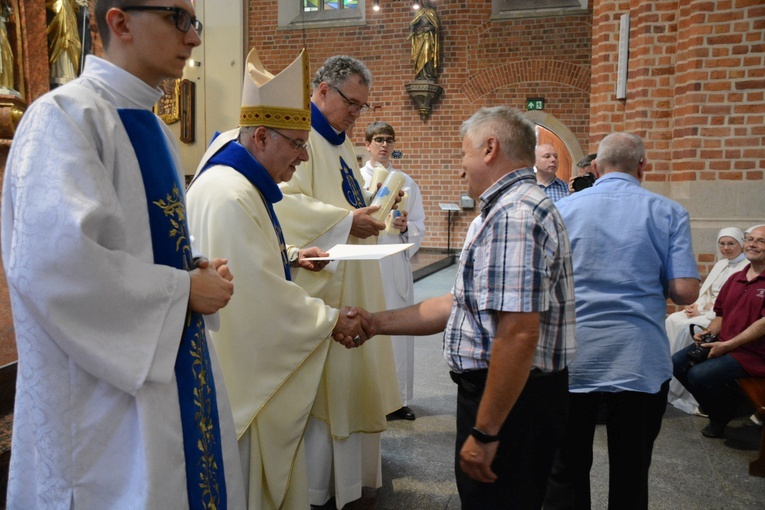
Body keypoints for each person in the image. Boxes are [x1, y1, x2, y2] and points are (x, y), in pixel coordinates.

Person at [1, 1, 246, 508]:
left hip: (165, 365)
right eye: (179, 20)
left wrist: (193, 266)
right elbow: (55, 267)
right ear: (119, 23)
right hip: (102, 403)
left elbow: (143, 240)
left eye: (193, 22)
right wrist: (183, 292)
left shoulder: (151, 124)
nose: (194, 38)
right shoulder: (65, 117)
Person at [361, 106, 576, 510]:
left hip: (511, 400)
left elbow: (519, 333)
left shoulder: (514, 215)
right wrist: (375, 322)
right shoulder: (505, 209)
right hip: (510, 393)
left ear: (490, 148)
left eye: (464, 155)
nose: (461, 169)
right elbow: (457, 304)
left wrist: (487, 432)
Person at [186, 48, 369, 510]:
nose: (303, 158)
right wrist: (330, 320)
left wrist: (288, 255)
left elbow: (243, 255)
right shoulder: (230, 193)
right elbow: (255, 296)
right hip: (239, 378)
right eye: (296, 143)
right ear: (262, 136)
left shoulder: (237, 183)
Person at [544, 133, 700, 510]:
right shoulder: (668, 212)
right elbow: (684, 291)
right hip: (638, 359)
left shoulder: (562, 210)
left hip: (574, 355)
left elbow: (543, 280)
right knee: (632, 470)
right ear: (643, 166)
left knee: (565, 467)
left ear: (595, 168)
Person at [272, 55, 401, 509]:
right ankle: (316, 487)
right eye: (352, 103)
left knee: (352, 380)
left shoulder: (343, 144)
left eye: (363, 107)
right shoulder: (296, 138)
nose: (356, 115)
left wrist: (372, 210)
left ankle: (347, 483)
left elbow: (347, 198)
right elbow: (282, 203)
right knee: (327, 388)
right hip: (320, 285)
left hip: (354, 276)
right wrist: (347, 221)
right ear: (321, 90)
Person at [360, 121, 426, 421]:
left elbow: (419, 225)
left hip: (394, 260)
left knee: (396, 328)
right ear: (368, 145)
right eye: (378, 140)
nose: (383, 145)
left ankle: (398, 400)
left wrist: (405, 227)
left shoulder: (406, 182)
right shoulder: (356, 180)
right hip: (366, 259)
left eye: (388, 140)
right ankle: (368, 396)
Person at [672, 225, 765, 438]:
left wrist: (728, 345)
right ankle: (722, 409)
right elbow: (721, 314)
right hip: (725, 342)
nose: (752, 244)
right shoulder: (735, 278)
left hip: (754, 353)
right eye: (750, 239)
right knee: (678, 362)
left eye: (760, 241)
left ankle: (721, 414)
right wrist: (708, 332)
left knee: (698, 375)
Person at [665, 227, 747, 415]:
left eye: (731, 243)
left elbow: (728, 301)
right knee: (673, 319)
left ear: (741, 244)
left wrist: (702, 309)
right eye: (722, 244)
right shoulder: (721, 264)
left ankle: (687, 390)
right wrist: (696, 305)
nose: (726, 248)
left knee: (687, 328)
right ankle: (671, 380)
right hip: (707, 307)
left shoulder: (745, 267)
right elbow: (707, 292)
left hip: (718, 313)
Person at [407, 2, 440, 82]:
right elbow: (412, 24)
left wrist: (429, 29)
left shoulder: (432, 12)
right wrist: (411, 31)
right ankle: (421, 75)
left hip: (428, 37)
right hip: (419, 37)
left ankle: (429, 74)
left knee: (427, 53)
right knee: (420, 55)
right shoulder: (419, 12)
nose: (425, 1)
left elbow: (436, 26)